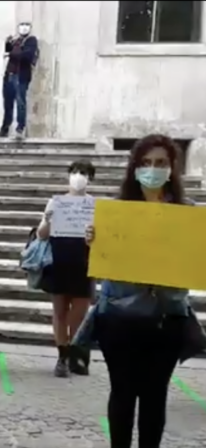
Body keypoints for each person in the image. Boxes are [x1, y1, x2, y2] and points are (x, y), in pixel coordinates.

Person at [85, 134, 192, 448]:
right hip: (119, 316)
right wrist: (94, 241)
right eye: (145, 163)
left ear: (172, 168)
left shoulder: (189, 214)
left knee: (155, 396)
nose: (153, 169)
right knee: (122, 392)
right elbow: (103, 263)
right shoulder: (116, 212)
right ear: (134, 168)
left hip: (168, 317)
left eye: (160, 163)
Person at [36, 160, 96, 377]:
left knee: (79, 315)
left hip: (84, 263)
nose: (79, 176)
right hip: (58, 260)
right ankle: (62, 356)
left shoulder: (95, 205)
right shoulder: (55, 202)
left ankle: (75, 353)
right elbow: (41, 234)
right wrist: (48, 221)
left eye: (84, 173)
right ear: (68, 175)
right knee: (60, 312)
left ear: (90, 179)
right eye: (75, 172)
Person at [0, 22, 38, 139]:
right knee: (8, 104)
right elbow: (9, 52)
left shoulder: (31, 41)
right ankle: (4, 129)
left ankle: (20, 129)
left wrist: (10, 53)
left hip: (20, 76)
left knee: (20, 102)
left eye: (26, 25)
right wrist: (8, 44)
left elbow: (26, 56)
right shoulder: (15, 41)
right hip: (9, 75)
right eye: (21, 25)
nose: (23, 28)